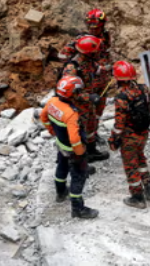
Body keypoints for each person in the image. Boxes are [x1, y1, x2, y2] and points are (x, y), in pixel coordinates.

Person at [40, 75, 99, 219]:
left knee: (62, 167)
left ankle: (60, 193)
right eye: (77, 92)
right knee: (78, 176)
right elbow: (74, 138)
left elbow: (43, 117)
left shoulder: (52, 102)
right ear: (72, 94)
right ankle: (78, 209)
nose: (79, 94)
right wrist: (80, 153)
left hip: (61, 145)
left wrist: (52, 131)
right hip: (73, 150)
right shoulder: (71, 113)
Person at [58, 9, 113, 144]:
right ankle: (82, 140)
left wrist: (106, 68)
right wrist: (77, 67)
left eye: (96, 26)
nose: (93, 29)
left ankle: (94, 133)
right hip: (88, 81)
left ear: (102, 25)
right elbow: (63, 55)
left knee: (99, 110)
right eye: (91, 26)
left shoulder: (106, 36)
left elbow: (107, 53)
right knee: (87, 112)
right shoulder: (81, 39)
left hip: (103, 79)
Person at [108, 61, 150, 209]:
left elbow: (119, 124)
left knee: (130, 166)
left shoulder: (122, 97)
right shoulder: (144, 89)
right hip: (143, 133)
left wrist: (113, 139)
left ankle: (137, 197)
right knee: (140, 157)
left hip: (130, 136)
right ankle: (149, 187)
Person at [61, 35, 110, 162]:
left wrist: (110, 69)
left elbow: (97, 70)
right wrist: (89, 96)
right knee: (79, 132)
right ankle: (80, 160)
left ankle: (91, 151)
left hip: (88, 104)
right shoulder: (72, 68)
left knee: (91, 128)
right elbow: (68, 91)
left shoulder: (89, 62)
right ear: (89, 53)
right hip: (78, 106)